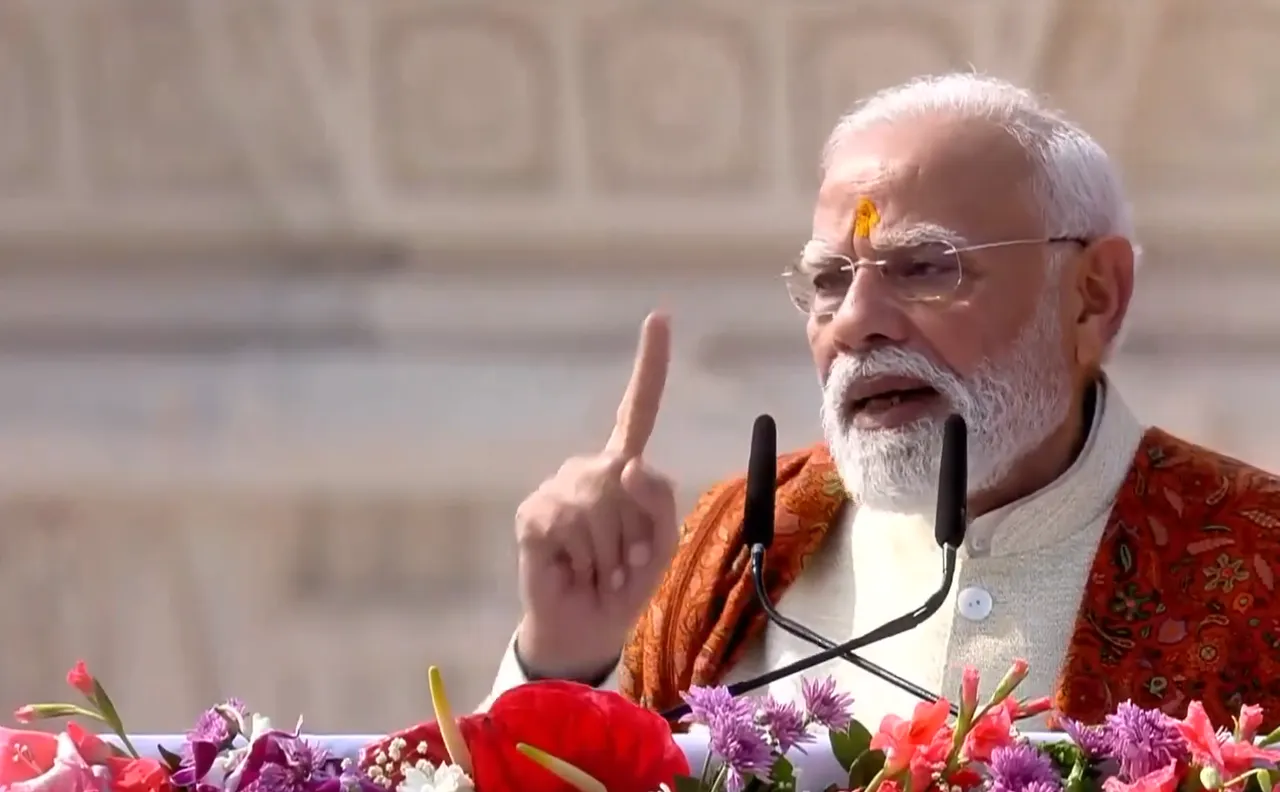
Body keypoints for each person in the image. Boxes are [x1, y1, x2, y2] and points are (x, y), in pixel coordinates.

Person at [485, 73, 1280, 729]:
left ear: (1091, 296)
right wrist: (562, 659)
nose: (857, 323)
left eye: (927, 268)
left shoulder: (1256, 559)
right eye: (829, 280)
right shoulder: (739, 551)